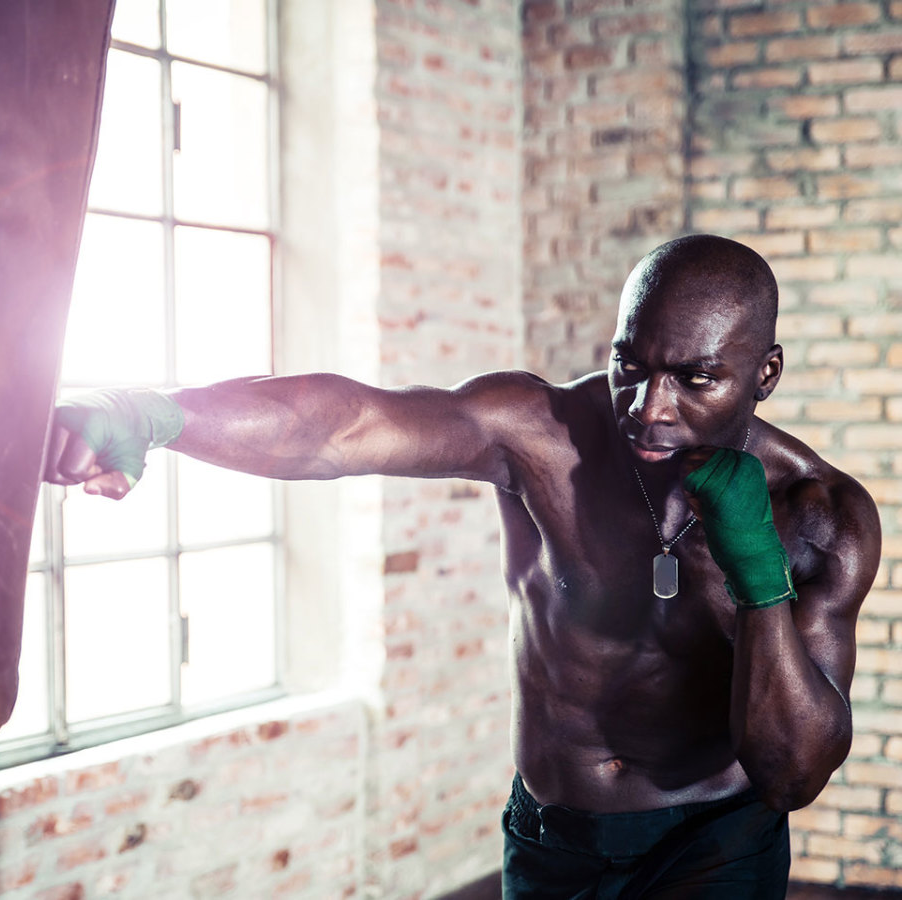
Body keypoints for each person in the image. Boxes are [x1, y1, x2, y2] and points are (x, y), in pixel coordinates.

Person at [44, 234, 881, 898]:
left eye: (696, 379)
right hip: (553, 838)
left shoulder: (820, 516)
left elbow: (792, 772)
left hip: (714, 845)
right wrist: (153, 412)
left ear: (764, 373)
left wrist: (758, 580)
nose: (650, 407)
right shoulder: (539, 433)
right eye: (633, 364)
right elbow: (344, 427)